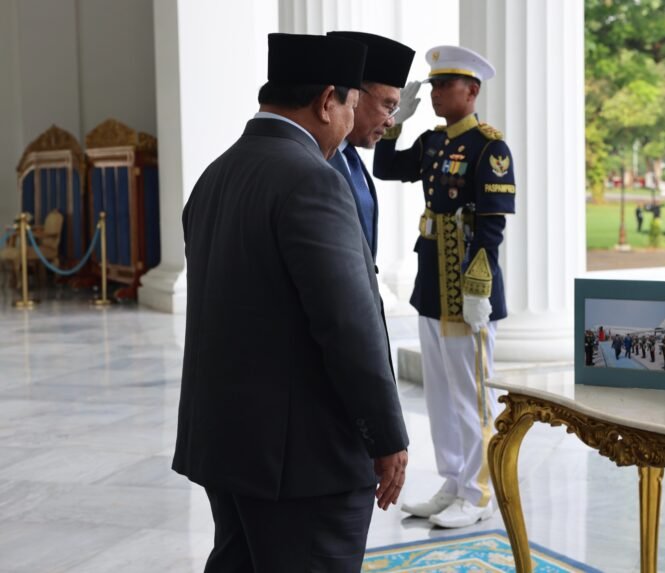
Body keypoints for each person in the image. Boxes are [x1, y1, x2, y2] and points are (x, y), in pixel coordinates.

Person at [172, 33, 409, 572]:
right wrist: (387, 436)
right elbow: (347, 325)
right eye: (352, 104)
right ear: (329, 100)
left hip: (230, 443)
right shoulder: (312, 180)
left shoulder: (216, 174)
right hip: (301, 460)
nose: (351, 121)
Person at [373, 45, 516, 528]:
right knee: (439, 394)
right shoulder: (434, 143)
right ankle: (453, 481)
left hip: (467, 292)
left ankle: (478, 492)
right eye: (432, 85)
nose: (434, 93)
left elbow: (492, 228)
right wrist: (394, 123)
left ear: (471, 91)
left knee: (472, 395)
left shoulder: (489, 148)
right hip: (433, 283)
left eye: (443, 85)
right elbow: (386, 167)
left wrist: (478, 287)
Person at [326, 31, 415, 259]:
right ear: (355, 96)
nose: (391, 121)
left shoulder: (349, 155)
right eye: (388, 105)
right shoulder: (319, 157)